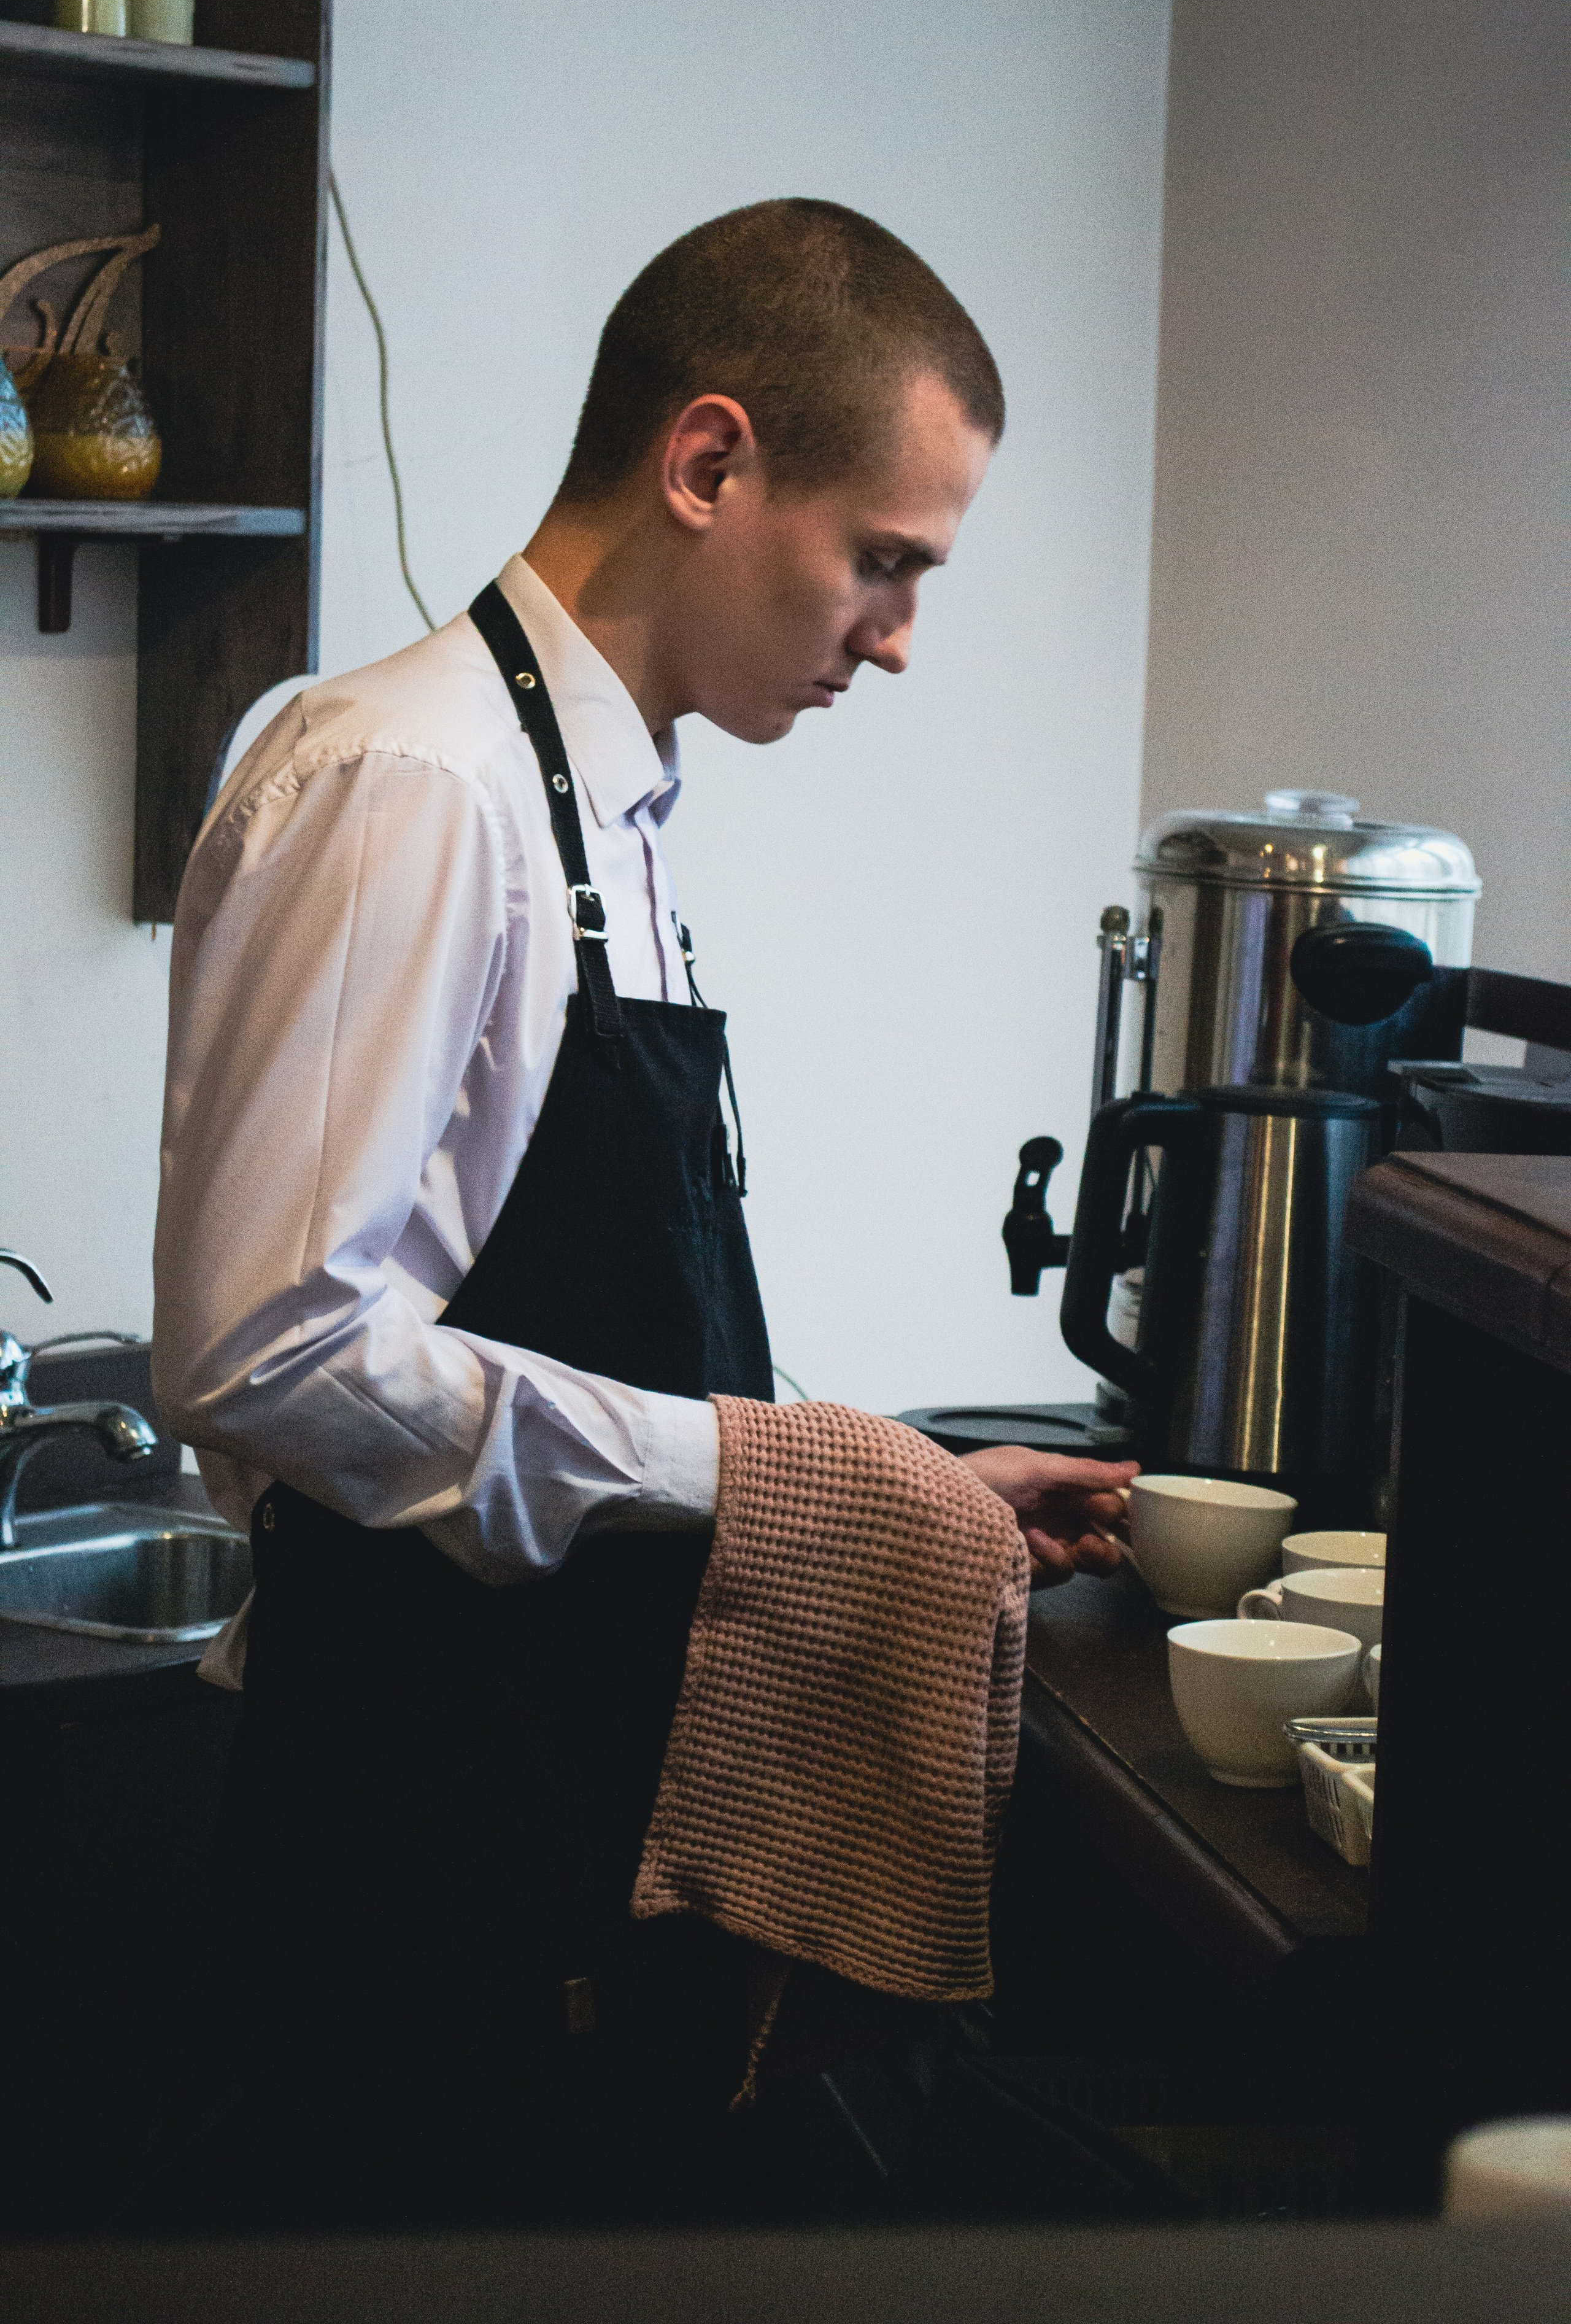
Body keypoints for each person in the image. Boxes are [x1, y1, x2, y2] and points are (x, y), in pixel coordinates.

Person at [152, 198, 1135, 2228]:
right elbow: (266, 1353)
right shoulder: (413, 784)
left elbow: (592, 1310)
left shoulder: (611, 814)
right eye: (884, 562)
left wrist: (893, 1477)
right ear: (709, 464)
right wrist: (767, 1473)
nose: (899, 636)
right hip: (420, 1872)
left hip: (571, 1817)